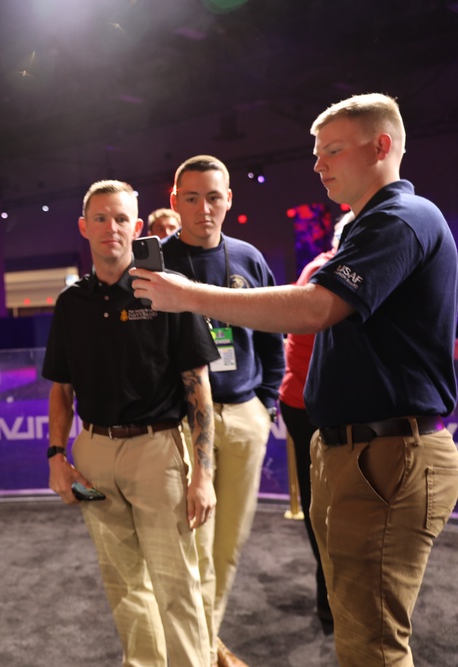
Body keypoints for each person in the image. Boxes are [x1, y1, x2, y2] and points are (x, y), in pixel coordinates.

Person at [131, 93, 458, 667]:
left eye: (332, 150)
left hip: (385, 452)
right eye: (317, 152)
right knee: (357, 629)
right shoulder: (366, 226)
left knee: (372, 643)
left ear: (381, 147)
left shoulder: (402, 219)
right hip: (356, 450)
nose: (318, 164)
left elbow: (313, 309)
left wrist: (185, 297)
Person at [44, 179, 218, 666]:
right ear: (84, 227)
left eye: (122, 219)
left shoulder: (168, 292)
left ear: (138, 227)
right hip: (94, 454)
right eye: (100, 218)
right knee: (123, 586)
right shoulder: (70, 303)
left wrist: (203, 474)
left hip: (158, 451)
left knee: (176, 587)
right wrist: (57, 455)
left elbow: (197, 383)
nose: (112, 228)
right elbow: (60, 389)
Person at [161, 155, 285, 667]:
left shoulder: (249, 259)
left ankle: (207, 643)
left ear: (228, 200)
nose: (204, 208)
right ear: (175, 202)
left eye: (214, 197)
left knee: (228, 549)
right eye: (191, 198)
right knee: (194, 553)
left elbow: (275, 333)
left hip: (246, 414)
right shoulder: (157, 263)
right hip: (188, 427)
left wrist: (267, 401)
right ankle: (200, 649)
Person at [277, 211, 351, 628]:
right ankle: (331, 603)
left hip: (309, 402)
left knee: (324, 508)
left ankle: (332, 602)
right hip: (311, 406)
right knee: (324, 510)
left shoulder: (323, 265)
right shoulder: (328, 270)